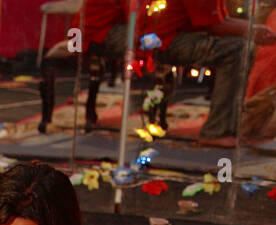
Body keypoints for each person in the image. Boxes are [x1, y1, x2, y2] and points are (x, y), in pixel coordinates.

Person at [105, 0, 276, 147]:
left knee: (241, 47)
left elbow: (218, 19)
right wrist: (253, 30)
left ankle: (230, 127)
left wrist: (255, 29)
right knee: (238, 50)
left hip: (168, 35)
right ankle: (217, 131)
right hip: (159, 40)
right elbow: (213, 26)